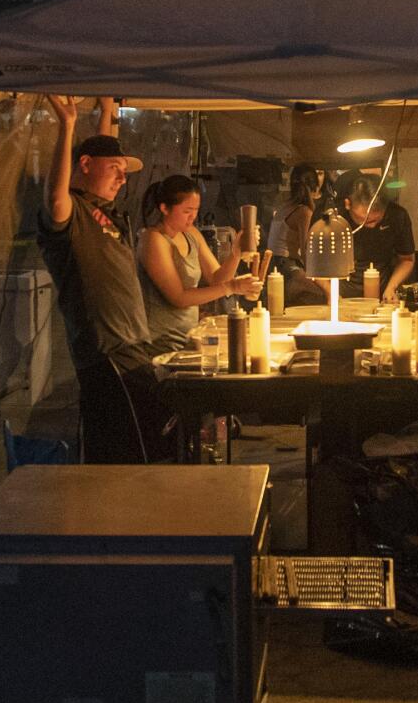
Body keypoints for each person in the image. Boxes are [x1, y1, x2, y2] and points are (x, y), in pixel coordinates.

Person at [37, 95, 171, 463]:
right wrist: (67, 127)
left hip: (134, 351)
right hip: (108, 358)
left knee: (136, 450)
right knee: (129, 458)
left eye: (123, 170)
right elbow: (55, 195)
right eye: (114, 168)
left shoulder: (107, 214)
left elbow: (103, 150)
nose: (122, 177)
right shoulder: (71, 215)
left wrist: (108, 110)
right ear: (84, 164)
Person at [137, 174, 259, 349]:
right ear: (164, 208)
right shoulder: (153, 239)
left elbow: (217, 279)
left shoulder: (191, 233)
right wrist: (232, 287)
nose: (192, 216)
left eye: (196, 210)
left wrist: (237, 252)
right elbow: (178, 297)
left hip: (190, 336)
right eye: (187, 211)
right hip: (162, 341)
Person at [336, 172, 415, 298]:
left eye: (376, 221)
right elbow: (316, 265)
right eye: (364, 220)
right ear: (347, 204)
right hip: (342, 295)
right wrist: (331, 294)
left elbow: (406, 259)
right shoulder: (335, 220)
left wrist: (391, 288)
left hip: (382, 294)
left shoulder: (397, 216)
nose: (372, 226)